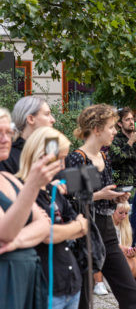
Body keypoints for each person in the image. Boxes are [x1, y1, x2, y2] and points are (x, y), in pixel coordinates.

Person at [66, 104, 136, 309]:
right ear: (97, 129)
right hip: (85, 232)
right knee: (84, 298)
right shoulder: (77, 157)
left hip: (106, 231)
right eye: (111, 127)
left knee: (130, 293)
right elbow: (73, 199)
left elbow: (99, 196)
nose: (115, 131)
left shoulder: (104, 156)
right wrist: (101, 195)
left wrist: (115, 198)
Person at [18, 126, 86, 309]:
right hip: (45, 288)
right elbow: (48, 234)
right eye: (60, 159)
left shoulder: (52, 190)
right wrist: (74, 228)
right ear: (41, 156)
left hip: (70, 283)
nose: (63, 166)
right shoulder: (22, 191)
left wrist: (70, 228)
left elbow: (83, 225)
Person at [0, 108, 60, 309]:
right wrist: (33, 185)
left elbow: (44, 223)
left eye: (8, 132)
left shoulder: (8, 179)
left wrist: (17, 240)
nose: (5, 139)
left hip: (28, 279)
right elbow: (4, 232)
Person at [0, 95, 55, 174]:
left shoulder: (52, 150)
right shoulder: (7, 156)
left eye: (8, 132)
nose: (53, 120)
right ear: (31, 119)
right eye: (47, 114)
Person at [109, 107, 136, 188]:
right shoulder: (115, 139)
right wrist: (130, 142)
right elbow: (116, 159)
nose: (131, 122)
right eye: (127, 120)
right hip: (125, 186)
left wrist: (131, 156)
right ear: (120, 123)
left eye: (132, 119)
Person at [112, 201, 136, 278]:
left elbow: (126, 247)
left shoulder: (126, 226)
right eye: (121, 212)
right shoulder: (106, 225)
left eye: (126, 213)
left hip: (120, 255)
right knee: (127, 265)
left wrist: (131, 254)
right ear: (112, 211)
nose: (124, 216)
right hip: (110, 255)